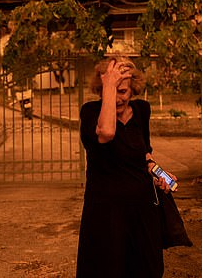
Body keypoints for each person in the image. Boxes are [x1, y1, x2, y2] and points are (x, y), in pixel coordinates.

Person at [76, 56, 177, 278]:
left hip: (142, 210)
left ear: (133, 90)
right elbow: (107, 133)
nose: (117, 98)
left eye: (123, 91)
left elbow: (144, 154)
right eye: (109, 90)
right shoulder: (91, 113)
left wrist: (159, 173)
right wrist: (110, 86)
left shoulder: (142, 110)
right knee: (107, 269)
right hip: (105, 213)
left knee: (146, 268)